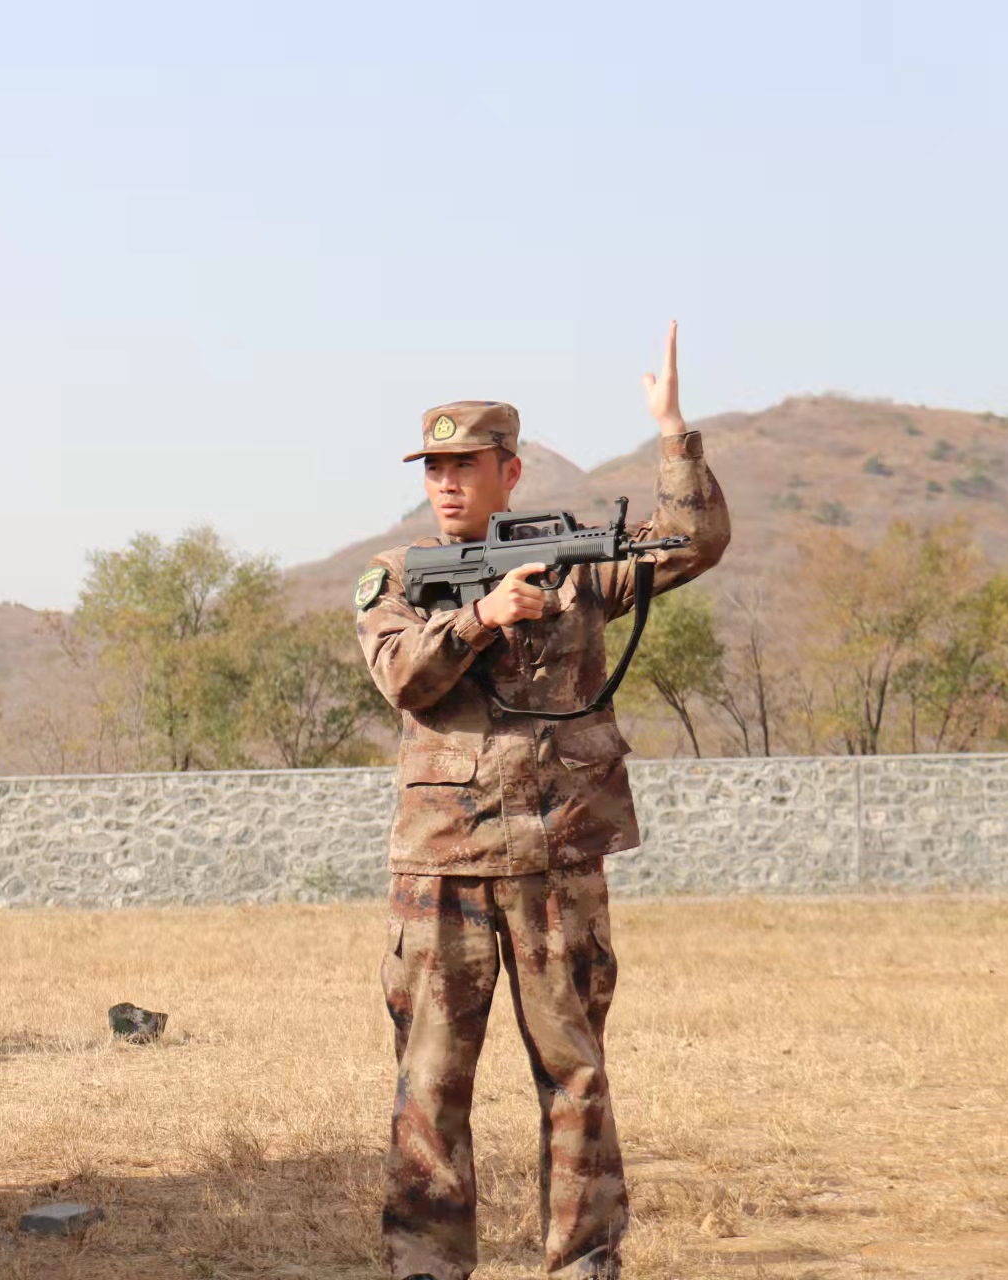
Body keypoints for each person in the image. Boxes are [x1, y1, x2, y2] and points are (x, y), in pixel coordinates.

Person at [353, 323, 731, 1280]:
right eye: (434, 466)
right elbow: (401, 673)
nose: (446, 482)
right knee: (432, 1085)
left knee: (576, 1077)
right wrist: (481, 617)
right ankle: (428, 1268)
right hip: (443, 870)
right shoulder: (398, 579)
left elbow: (694, 543)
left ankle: (584, 1263)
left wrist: (674, 433)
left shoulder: (573, 564)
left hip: (561, 865)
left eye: (466, 465)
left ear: (508, 473)